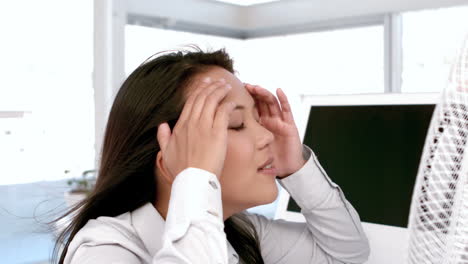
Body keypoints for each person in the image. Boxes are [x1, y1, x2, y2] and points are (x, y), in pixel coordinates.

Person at [54, 47, 370, 264]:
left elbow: (345, 253)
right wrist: (194, 180)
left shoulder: (240, 231)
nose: (266, 137)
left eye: (258, 121)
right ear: (169, 161)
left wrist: (295, 167)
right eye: (235, 125)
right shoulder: (104, 250)